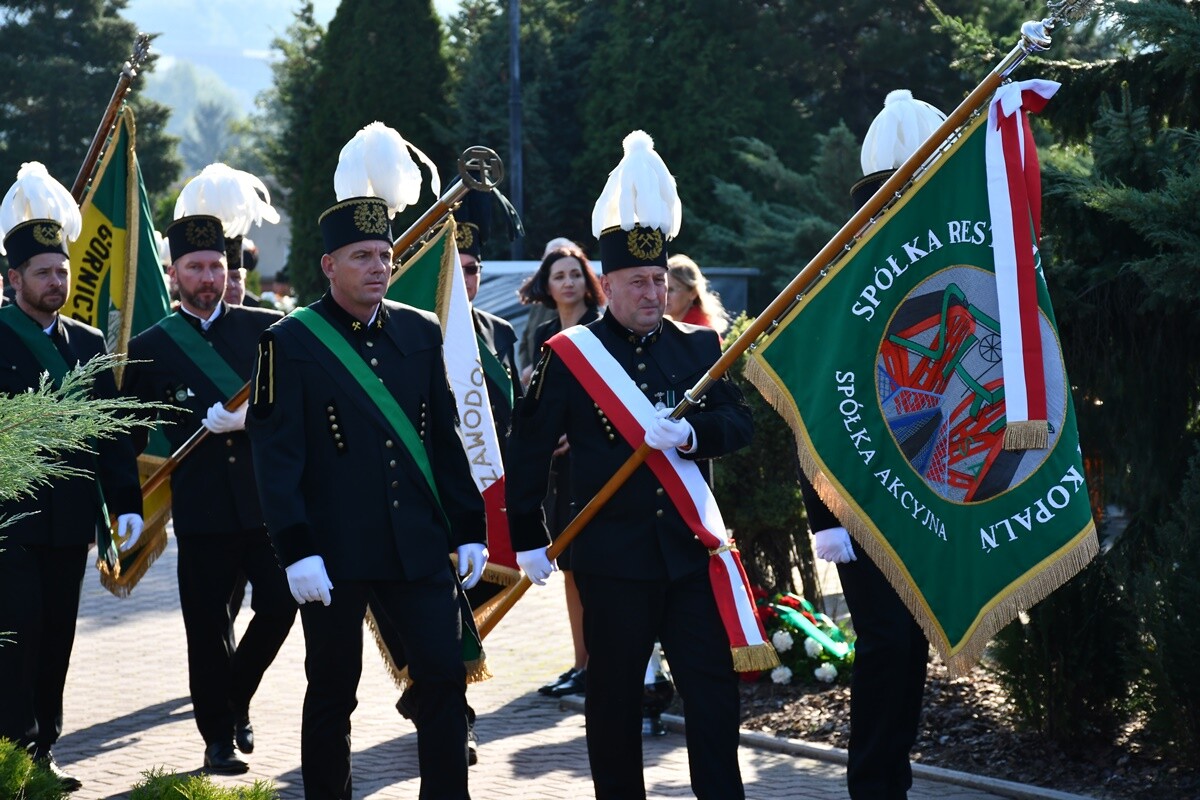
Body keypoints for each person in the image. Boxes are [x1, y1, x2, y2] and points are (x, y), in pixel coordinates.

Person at [506, 131, 766, 799]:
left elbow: (739, 424)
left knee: (712, 692)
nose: (652, 294)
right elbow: (529, 447)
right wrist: (529, 536)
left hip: (688, 553)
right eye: (637, 282)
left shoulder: (698, 344)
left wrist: (688, 437)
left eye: (659, 280)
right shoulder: (572, 355)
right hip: (610, 557)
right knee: (615, 698)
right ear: (608, 284)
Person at [246, 193, 486, 800]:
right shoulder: (289, 341)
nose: (379, 266)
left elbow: (443, 437)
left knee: (441, 680)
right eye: (362, 256)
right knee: (332, 689)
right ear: (329, 265)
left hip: (415, 546)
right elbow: (276, 460)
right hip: (334, 551)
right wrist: (296, 549)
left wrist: (469, 525)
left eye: (385, 254)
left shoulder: (419, 329)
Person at [801, 88, 944, 800]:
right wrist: (823, 520)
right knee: (887, 640)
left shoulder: (941, 275)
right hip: (857, 504)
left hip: (931, 486)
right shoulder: (836, 287)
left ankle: (892, 778)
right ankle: (874, 785)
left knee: (910, 645)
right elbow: (814, 403)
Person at [121, 213, 296, 776]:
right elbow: (129, 434)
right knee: (206, 628)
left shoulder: (266, 331)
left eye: (216, 266)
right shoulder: (149, 347)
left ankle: (235, 695)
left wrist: (251, 421)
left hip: (266, 505)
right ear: (174, 273)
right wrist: (126, 503)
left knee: (279, 604)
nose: (207, 277)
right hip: (201, 511)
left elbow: (295, 412)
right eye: (195, 267)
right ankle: (217, 738)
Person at [0, 163, 144, 793]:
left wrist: (125, 502)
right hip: (9, 522)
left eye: (62, 270)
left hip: (69, 520)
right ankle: (14, 750)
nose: (57, 281)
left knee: (56, 636)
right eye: (43, 273)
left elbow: (109, 435)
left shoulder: (87, 343)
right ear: (13, 280)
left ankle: (44, 749)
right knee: (16, 635)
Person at [520, 243, 607, 698]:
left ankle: (608, 663)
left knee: (596, 566)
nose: (569, 282)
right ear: (547, 286)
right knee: (570, 566)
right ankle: (581, 664)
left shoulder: (603, 329)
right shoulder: (547, 334)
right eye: (560, 276)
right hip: (561, 470)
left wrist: (583, 432)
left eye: (576, 274)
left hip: (600, 463)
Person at [516, 236, 576, 372]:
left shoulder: (580, 308)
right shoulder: (538, 302)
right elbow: (526, 340)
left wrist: (536, 368)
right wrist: (527, 368)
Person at [665, 253, 730, 336]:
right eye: (663, 288)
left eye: (670, 290)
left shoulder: (701, 333)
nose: (665, 295)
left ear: (693, 293)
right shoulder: (668, 327)